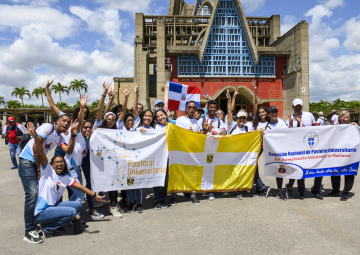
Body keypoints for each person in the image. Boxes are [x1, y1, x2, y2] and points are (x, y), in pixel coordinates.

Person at [18, 80, 78, 244]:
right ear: (57, 121)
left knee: (42, 192)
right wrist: (38, 169)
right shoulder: (47, 127)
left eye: (68, 122)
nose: (65, 123)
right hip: (27, 161)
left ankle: (41, 221)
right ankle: (29, 230)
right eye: (63, 121)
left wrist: (72, 135)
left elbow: (69, 151)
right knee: (32, 195)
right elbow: (37, 148)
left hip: (36, 163)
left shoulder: (59, 137)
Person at [25, 123, 105, 241]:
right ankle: (48, 227)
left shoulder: (66, 178)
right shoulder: (47, 171)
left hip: (54, 207)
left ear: (64, 164)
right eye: (56, 162)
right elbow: (41, 152)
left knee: (78, 205)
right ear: (52, 165)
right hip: (42, 212)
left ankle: (50, 225)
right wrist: (36, 137)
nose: (59, 164)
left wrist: (95, 195)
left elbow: (81, 187)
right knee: (72, 212)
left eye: (61, 162)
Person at [286, 98, 322, 200]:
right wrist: (294, 123)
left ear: (302, 106)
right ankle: (301, 191)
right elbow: (289, 135)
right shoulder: (289, 119)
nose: (298, 108)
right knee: (301, 169)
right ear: (292, 107)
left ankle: (316, 190)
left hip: (312, 147)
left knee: (318, 168)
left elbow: (316, 128)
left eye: (300, 106)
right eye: (296, 106)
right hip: (299, 149)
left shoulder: (309, 115)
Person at [198, 99, 226, 200]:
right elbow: (198, 136)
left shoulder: (219, 121)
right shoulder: (201, 120)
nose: (213, 109)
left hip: (212, 150)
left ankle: (210, 190)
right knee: (201, 169)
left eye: (214, 107)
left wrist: (214, 131)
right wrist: (205, 129)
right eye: (211, 107)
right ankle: (202, 188)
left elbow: (224, 132)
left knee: (210, 168)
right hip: (202, 150)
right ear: (207, 108)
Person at [327, 111, 358, 201]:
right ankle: (335, 190)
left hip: (350, 154)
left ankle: (345, 192)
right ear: (339, 118)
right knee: (335, 172)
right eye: (343, 117)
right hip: (337, 154)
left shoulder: (353, 127)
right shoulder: (334, 127)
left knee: (349, 172)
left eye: (347, 117)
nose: (346, 119)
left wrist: (356, 125)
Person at [175, 101, 201, 205]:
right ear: (186, 108)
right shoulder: (179, 120)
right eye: (189, 107)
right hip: (182, 151)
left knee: (193, 173)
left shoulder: (197, 122)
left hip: (193, 152)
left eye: (194, 107)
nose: (191, 109)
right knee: (182, 173)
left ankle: (193, 194)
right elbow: (177, 134)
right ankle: (179, 193)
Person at [261, 106, 288, 200]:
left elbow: (288, 132)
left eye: (275, 111)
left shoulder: (282, 121)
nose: (274, 113)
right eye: (272, 112)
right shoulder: (266, 127)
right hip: (274, 153)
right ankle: (280, 191)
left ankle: (289, 187)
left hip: (284, 150)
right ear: (268, 114)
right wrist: (262, 136)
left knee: (291, 168)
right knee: (279, 170)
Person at [80, 120, 104, 219]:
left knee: (90, 182)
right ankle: (75, 213)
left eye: (90, 127)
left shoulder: (91, 135)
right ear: (80, 128)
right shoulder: (77, 137)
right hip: (76, 163)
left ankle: (91, 209)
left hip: (90, 157)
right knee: (77, 187)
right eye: (85, 127)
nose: (88, 129)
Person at [251, 105, 271, 198]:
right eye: (260, 113)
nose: (262, 114)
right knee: (253, 167)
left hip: (265, 147)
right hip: (256, 147)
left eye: (263, 112)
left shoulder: (270, 123)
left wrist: (265, 135)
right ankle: (260, 188)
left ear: (266, 112)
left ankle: (262, 187)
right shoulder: (256, 124)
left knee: (253, 167)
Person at [153, 108, 171, 209]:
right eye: (158, 116)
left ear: (166, 115)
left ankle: (163, 198)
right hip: (157, 157)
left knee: (165, 179)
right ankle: (157, 199)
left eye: (161, 115)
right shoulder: (155, 127)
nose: (160, 117)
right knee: (156, 178)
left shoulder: (171, 126)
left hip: (167, 157)